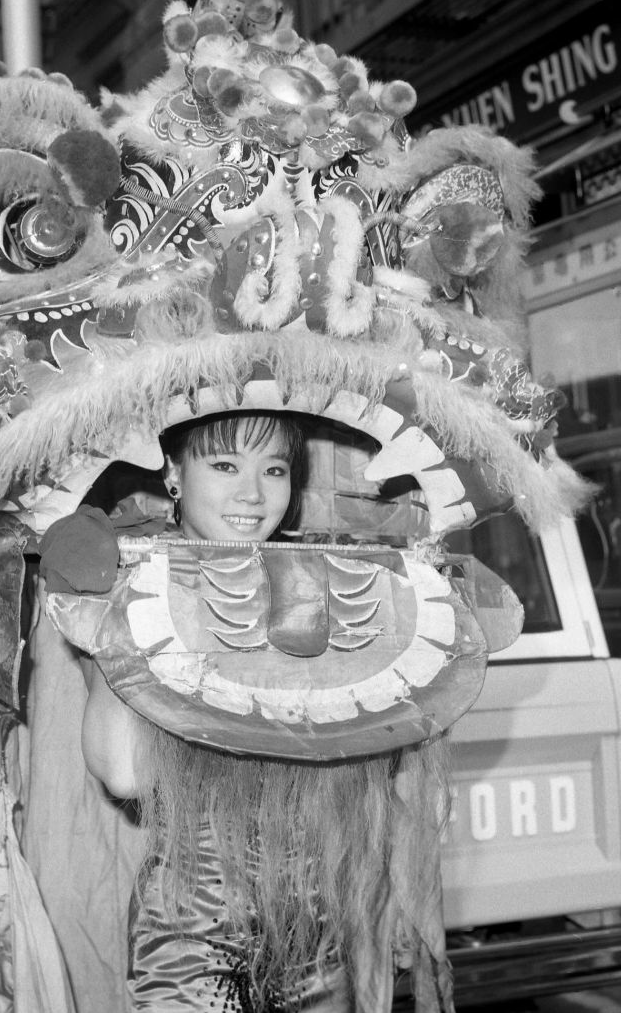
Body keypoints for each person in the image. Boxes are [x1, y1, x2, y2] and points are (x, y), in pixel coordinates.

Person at [41, 410, 454, 1013]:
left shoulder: (322, 582)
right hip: (195, 940)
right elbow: (129, 773)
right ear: (175, 474)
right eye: (225, 465)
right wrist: (113, 618)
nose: (253, 494)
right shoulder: (138, 573)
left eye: (275, 469)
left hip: (317, 933)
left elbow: (386, 768)